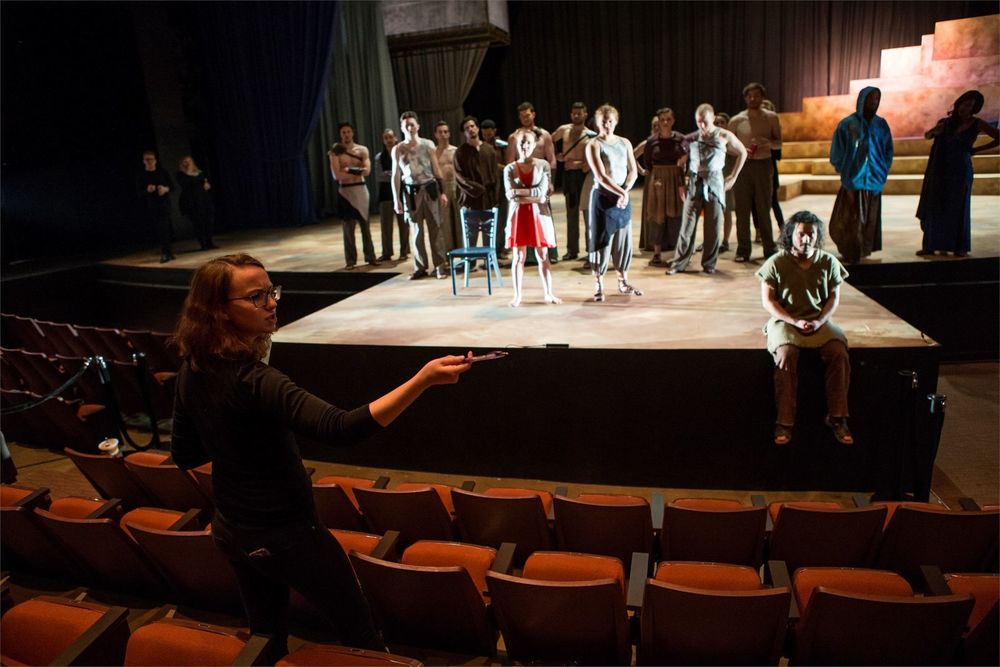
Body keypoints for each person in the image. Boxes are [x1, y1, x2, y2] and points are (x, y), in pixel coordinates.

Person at [170, 253, 472, 663]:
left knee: (267, 638)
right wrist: (423, 380)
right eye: (256, 297)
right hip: (290, 537)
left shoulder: (192, 367)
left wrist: (234, 437)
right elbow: (340, 428)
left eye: (271, 291)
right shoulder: (257, 381)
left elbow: (184, 453)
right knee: (362, 636)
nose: (272, 303)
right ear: (220, 312)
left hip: (233, 532)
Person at [757, 211, 853, 446]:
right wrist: (793, 321)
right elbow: (768, 301)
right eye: (801, 234)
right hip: (786, 321)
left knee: (838, 353)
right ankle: (785, 421)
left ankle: (837, 416)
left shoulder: (828, 261)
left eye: (811, 234)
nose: (806, 239)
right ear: (792, 234)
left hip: (818, 321)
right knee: (786, 355)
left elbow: (833, 299)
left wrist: (820, 321)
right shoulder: (777, 262)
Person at [666, 104, 746, 275]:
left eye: (705, 122)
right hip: (695, 182)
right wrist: (681, 183)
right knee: (687, 226)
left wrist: (733, 175)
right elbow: (679, 161)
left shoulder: (724, 135)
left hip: (715, 182)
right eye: (698, 122)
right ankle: (679, 263)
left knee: (713, 225)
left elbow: (742, 152)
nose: (701, 126)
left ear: (713, 119)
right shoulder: (692, 138)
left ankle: (709, 263)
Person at [916, 90, 998, 257]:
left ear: (974, 108)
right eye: (963, 103)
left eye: (970, 105)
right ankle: (930, 246)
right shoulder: (945, 123)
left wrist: (976, 150)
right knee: (936, 204)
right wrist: (934, 132)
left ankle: (959, 247)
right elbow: (927, 136)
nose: (965, 107)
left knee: (957, 207)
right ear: (958, 103)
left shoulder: (977, 123)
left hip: (961, 170)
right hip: (940, 169)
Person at [828, 86, 893, 264]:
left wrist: (883, 170)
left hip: (874, 178)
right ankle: (850, 249)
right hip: (854, 179)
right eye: (870, 98)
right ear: (862, 99)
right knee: (852, 217)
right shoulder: (848, 124)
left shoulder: (881, 124)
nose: (873, 102)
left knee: (869, 218)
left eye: (876, 99)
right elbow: (837, 149)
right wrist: (844, 168)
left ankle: (863, 248)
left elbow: (888, 150)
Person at [585, 104, 642, 302]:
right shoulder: (593, 144)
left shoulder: (624, 142)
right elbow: (600, 175)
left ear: (616, 121)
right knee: (601, 241)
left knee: (623, 241)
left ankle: (623, 281)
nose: (607, 125)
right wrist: (620, 192)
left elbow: (633, 170)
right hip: (603, 198)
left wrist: (624, 191)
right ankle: (598, 284)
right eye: (603, 121)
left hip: (621, 197)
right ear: (597, 123)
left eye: (610, 121)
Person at [504, 128, 561, 307]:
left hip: (539, 214)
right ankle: (517, 296)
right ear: (516, 145)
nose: (525, 146)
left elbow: (542, 194)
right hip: (518, 216)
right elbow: (510, 195)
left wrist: (521, 193)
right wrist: (532, 195)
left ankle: (548, 293)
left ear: (534, 144)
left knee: (543, 254)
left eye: (528, 142)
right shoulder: (510, 168)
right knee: (519, 256)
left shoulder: (543, 165)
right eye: (522, 142)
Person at [391, 111, 450, 280]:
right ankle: (420, 267)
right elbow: (395, 175)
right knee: (416, 231)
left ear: (418, 126)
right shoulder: (398, 149)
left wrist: (442, 192)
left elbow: (436, 168)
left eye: (412, 124)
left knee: (436, 229)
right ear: (402, 128)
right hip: (411, 191)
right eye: (406, 125)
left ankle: (440, 266)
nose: (410, 127)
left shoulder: (428, 144)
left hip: (429, 188)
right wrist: (396, 199)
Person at [729, 82, 782, 262]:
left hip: (764, 164)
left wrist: (767, 144)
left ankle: (769, 247)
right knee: (742, 209)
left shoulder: (771, 117)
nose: (753, 99)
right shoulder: (736, 120)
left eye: (756, 95)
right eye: (749, 96)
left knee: (763, 208)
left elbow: (779, 142)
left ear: (762, 97)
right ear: (745, 98)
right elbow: (727, 146)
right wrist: (742, 150)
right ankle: (743, 250)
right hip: (743, 167)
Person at [507, 102, 558, 263]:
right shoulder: (514, 137)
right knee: (523, 216)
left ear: (533, 115)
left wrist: (550, 181)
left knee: (544, 215)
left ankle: (550, 252)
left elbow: (552, 160)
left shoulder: (544, 135)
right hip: (521, 179)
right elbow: (510, 161)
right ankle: (527, 255)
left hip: (540, 179)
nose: (525, 118)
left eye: (527, 115)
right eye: (522, 116)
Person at [642, 107, 689, 266]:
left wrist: (681, 177)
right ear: (658, 121)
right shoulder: (651, 141)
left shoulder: (681, 139)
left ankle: (678, 251)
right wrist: (656, 175)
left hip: (676, 179)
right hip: (658, 180)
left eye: (668, 119)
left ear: (673, 121)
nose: (665, 123)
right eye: (662, 120)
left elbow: (686, 159)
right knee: (657, 214)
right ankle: (657, 252)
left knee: (676, 213)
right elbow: (647, 162)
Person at [328, 122, 378, 270]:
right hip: (345, 192)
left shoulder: (362, 150)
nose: (346, 135)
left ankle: (370, 257)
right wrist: (357, 170)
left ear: (353, 133)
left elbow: (367, 171)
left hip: (361, 190)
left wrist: (348, 169)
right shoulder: (335, 152)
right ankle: (350, 261)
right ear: (340, 134)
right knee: (348, 230)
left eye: (348, 132)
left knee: (366, 228)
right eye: (343, 132)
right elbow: (337, 175)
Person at [551, 102, 597, 261]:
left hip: (584, 177)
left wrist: (582, 163)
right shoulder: (564, 130)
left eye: (580, 113)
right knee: (571, 215)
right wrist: (557, 156)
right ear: (571, 115)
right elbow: (548, 141)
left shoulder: (591, 134)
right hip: (569, 176)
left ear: (585, 114)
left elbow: (594, 157)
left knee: (588, 214)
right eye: (574, 113)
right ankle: (572, 250)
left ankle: (591, 250)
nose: (577, 116)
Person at [454, 116, 499, 255]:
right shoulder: (460, 152)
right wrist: (477, 189)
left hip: (488, 199)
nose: (470, 130)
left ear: (478, 128)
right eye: (467, 128)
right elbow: (460, 177)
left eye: (472, 126)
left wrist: (495, 199)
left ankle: (490, 259)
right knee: (471, 233)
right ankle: (470, 260)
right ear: (464, 133)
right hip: (471, 200)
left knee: (489, 233)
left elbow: (495, 176)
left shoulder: (489, 150)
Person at [374, 129, 408, 262]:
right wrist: (395, 175)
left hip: (401, 192)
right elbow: (379, 176)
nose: (388, 140)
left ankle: (404, 251)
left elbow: (404, 173)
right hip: (385, 193)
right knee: (386, 225)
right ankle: (387, 252)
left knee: (403, 224)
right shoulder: (379, 157)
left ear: (395, 138)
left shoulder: (402, 153)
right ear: (383, 140)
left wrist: (392, 173)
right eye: (385, 138)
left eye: (390, 137)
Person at [138, 150, 175, 263]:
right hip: (152, 206)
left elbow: (172, 187)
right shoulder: (141, 175)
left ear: (155, 160)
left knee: (165, 228)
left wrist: (165, 189)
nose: (149, 161)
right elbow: (139, 192)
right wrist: (147, 190)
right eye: (147, 159)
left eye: (151, 159)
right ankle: (167, 253)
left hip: (164, 204)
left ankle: (167, 253)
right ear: (143, 161)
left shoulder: (162, 172)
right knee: (161, 229)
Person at [481, 119, 509, 258]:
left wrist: (497, 166)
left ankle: (501, 247)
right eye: (484, 132)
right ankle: (489, 248)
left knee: (503, 216)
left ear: (495, 131)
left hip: (502, 184)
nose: (487, 134)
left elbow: (509, 163)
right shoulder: (479, 147)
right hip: (487, 187)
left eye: (489, 131)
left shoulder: (502, 145)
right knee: (488, 218)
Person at [177, 155, 218, 251]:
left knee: (209, 221)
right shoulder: (181, 174)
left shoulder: (200, 173)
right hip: (191, 202)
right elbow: (185, 184)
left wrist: (207, 185)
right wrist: (189, 173)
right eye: (184, 162)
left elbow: (205, 183)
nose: (187, 163)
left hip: (204, 199)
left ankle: (210, 242)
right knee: (198, 223)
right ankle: (203, 244)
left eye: (189, 161)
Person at [759, 99, 785, 235]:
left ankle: (783, 228)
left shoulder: (774, 129)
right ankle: (759, 230)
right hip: (756, 166)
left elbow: (778, 154)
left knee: (773, 201)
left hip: (770, 167)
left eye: (767, 108)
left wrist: (767, 145)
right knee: (755, 203)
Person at [434, 121, 460, 252]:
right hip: (442, 188)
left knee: (458, 221)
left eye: (445, 132)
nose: (443, 134)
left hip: (456, 186)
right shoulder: (433, 152)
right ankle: (448, 252)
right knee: (445, 223)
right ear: (436, 135)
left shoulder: (455, 150)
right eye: (440, 132)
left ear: (449, 134)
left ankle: (462, 251)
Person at [714, 112, 737, 253]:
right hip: (712, 180)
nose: (720, 125)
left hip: (726, 180)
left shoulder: (731, 140)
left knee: (727, 211)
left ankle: (726, 240)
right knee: (712, 212)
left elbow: (740, 154)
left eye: (722, 122)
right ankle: (711, 240)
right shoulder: (708, 140)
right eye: (717, 123)